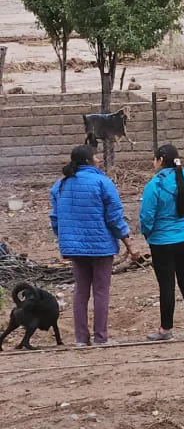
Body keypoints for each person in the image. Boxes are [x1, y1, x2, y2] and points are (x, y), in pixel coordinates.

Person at [49, 145, 141, 347]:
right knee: (101, 291)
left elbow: (55, 219)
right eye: (96, 157)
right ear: (89, 161)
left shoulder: (60, 186)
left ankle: (81, 339)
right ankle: (101, 338)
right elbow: (114, 218)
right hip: (101, 247)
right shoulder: (102, 182)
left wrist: (66, 240)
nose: (99, 160)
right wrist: (128, 242)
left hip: (74, 250)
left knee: (80, 291)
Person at [140, 144, 184, 342]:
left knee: (166, 286)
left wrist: (149, 233)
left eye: (154, 159)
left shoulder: (154, 185)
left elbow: (147, 217)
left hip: (161, 243)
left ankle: (166, 329)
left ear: (160, 160)